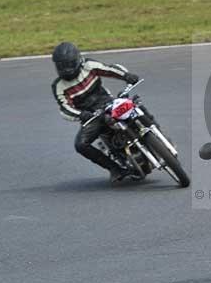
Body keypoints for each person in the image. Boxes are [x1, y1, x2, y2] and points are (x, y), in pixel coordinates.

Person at [51, 42, 142, 182]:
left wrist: (126, 76)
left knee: (134, 105)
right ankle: (115, 169)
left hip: (106, 102)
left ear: (77, 60)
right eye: (62, 66)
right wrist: (81, 114)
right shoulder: (58, 86)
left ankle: (156, 132)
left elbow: (109, 69)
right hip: (90, 116)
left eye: (69, 64)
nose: (66, 69)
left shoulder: (89, 66)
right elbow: (64, 108)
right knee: (80, 145)